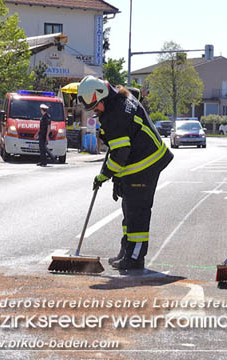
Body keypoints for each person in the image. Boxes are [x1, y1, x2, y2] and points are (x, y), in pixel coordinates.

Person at [77, 75, 173, 270]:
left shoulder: (116, 115)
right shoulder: (119, 98)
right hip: (137, 161)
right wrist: (119, 178)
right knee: (128, 208)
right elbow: (122, 147)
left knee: (137, 211)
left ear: (103, 97)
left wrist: (104, 175)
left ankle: (135, 258)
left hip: (146, 163)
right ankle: (126, 251)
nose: (95, 111)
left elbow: (120, 153)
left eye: (96, 107)